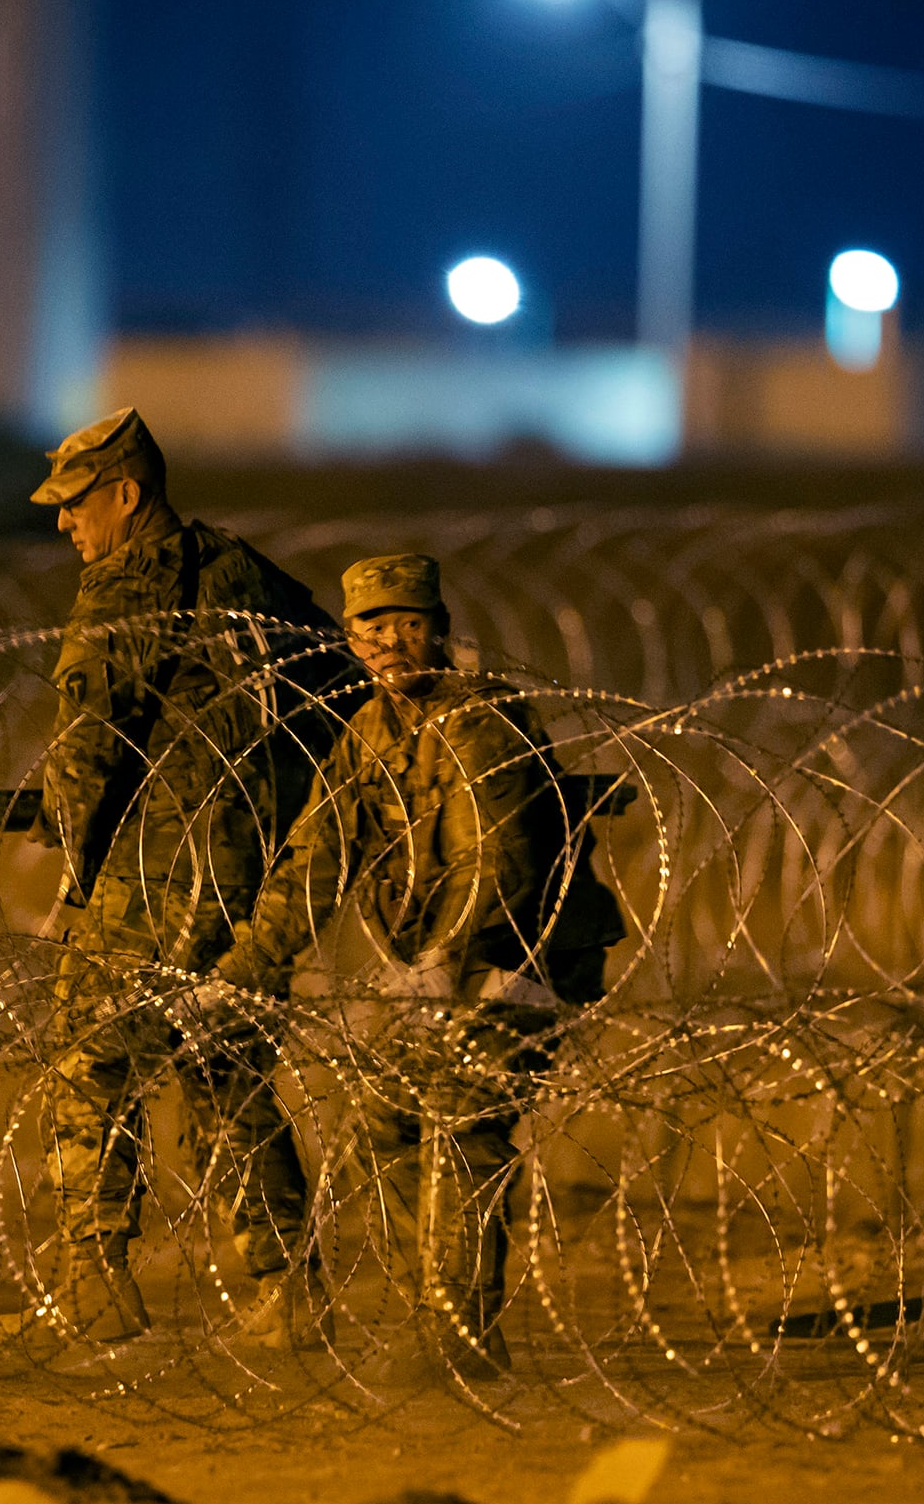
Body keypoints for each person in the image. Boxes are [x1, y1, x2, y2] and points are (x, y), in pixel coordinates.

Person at [0, 406, 348, 1356]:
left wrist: (70, 854)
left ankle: (93, 1283)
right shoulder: (245, 571)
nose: (65, 525)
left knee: (89, 1060)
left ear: (126, 496)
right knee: (223, 1066)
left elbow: (88, 752)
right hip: (243, 869)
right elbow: (337, 688)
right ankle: (287, 1289)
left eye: (76, 504)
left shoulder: (121, 589)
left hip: (148, 874)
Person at [206, 553, 623, 1382]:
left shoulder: (482, 720)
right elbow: (316, 855)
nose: (391, 641)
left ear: (437, 627)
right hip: (441, 964)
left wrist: (442, 964)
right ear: (352, 638)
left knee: (465, 1117)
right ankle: (432, 1313)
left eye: (409, 624)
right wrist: (249, 964)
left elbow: (496, 862)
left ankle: (464, 1338)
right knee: (387, 1114)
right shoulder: (370, 729)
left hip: (521, 960)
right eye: (372, 626)